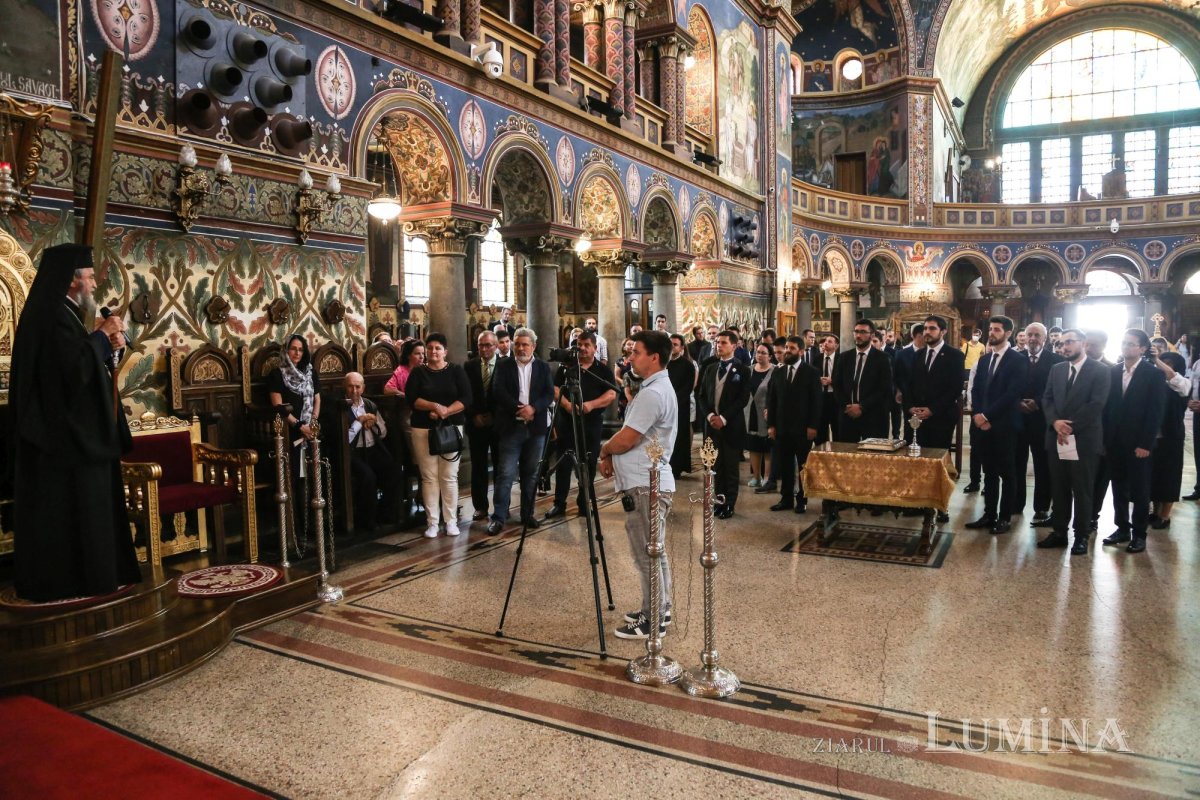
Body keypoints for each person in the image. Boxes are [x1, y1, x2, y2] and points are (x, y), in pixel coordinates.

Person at [11, 243, 141, 601]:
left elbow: (78, 364)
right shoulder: (52, 316)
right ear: (72, 281)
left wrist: (104, 342)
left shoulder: (61, 315)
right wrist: (99, 337)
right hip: (64, 442)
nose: (94, 285)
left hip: (76, 438)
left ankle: (95, 575)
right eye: (88, 278)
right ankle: (77, 580)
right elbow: (70, 371)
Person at [598, 331, 678, 640]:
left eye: (637, 353)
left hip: (647, 484)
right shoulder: (653, 388)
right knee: (655, 550)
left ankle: (653, 618)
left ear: (654, 357)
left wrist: (604, 450)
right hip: (648, 482)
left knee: (647, 553)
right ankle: (661, 605)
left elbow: (629, 437)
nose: (630, 358)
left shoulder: (654, 393)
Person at [1036, 330, 1110, 555]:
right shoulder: (1057, 369)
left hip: (1084, 438)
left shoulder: (1100, 370)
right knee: (1058, 486)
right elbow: (1047, 398)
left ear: (1084, 344)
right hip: (1056, 436)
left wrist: (1069, 426)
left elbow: (1096, 404)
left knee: (1082, 488)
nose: (1065, 347)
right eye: (1061, 343)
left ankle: (1081, 535)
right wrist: (1055, 422)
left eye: (1070, 342)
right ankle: (1059, 531)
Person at [1102, 329, 1166, 554]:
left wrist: (1146, 444)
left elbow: (1156, 412)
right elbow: (1107, 409)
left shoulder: (1153, 374)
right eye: (1124, 343)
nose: (1126, 347)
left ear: (1142, 348)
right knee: (1118, 486)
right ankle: (1122, 529)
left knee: (1140, 491)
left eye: (1131, 344)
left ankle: (1139, 534)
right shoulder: (1112, 371)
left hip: (1139, 443)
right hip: (1115, 441)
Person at [966, 316, 1029, 535]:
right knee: (989, 472)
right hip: (983, 426)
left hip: (1005, 426)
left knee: (1007, 473)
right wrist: (977, 415)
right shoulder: (984, 360)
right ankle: (989, 514)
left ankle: (1004, 518)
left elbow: (1012, 393)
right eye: (990, 329)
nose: (992, 333)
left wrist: (987, 416)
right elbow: (976, 390)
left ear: (1008, 333)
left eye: (997, 330)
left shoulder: (1018, 360)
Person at [405, 333, 472, 538]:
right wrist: (433, 406)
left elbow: (467, 397)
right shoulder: (418, 372)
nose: (433, 351)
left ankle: (450, 521)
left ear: (445, 351)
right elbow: (411, 399)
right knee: (429, 477)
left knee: (449, 476)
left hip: (451, 428)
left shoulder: (456, 371)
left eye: (438, 348)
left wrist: (446, 411)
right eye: (430, 348)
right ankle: (432, 522)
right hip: (423, 429)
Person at [488, 328, 554, 534]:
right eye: (517, 344)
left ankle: (528, 514)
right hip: (510, 427)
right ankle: (498, 517)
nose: (520, 348)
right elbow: (498, 391)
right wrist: (520, 409)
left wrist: (533, 408)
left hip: (536, 428)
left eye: (525, 344)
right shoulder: (503, 365)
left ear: (533, 346)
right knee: (505, 473)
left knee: (531, 474)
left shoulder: (543, 367)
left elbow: (548, 393)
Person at [545, 331, 617, 519]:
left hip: (591, 424)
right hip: (566, 423)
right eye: (579, 344)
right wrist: (568, 406)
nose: (582, 348)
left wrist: (591, 405)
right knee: (564, 463)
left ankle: (584, 502)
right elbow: (554, 388)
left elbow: (611, 394)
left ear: (595, 348)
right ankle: (559, 503)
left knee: (588, 463)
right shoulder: (567, 367)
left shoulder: (602, 370)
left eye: (587, 345)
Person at [1014, 323, 1065, 527]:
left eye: (1037, 335)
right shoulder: (1015, 359)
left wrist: (1037, 401)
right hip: (1018, 418)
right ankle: (1015, 503)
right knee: (1017, 462)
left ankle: (1042, 506)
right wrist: (1017, 401)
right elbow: (1010, 384)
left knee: (1043, 464)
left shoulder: (1056, 361)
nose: (1033, 339)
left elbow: (1055, 389)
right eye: (1030, 335)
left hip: (1043, 419)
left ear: (1045, 339)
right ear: (1024, 337)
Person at [696, 330, 750, 518]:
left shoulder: (742, 370)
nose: (719, 345)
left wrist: (723, 418)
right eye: (718, 342)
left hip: (731, 425)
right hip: (711, 426)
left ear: (734, 346)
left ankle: (730, 504)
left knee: (730, 467)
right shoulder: (710, 368)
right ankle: (719, 501)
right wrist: (710, 415)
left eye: (724, 342)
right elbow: (701, 395)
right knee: (715, 466)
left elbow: (742, 399)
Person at [767, 335, 821, 514]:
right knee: (785, 464)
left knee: (803, 465)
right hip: (782, 427)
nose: (787, 351)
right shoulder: (778, 372)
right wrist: (771, 425)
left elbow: (816, 402)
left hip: (803, 428)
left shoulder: (811, 372)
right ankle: (786, 498)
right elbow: (772, 400)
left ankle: (802, 499)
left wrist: (813, 426)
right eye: (786, 348)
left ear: (801, 351)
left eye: (791, 348)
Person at [341, 372, 398, 533]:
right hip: (353, 452)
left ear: (363, 388)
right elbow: (345, 438)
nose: (354, 391)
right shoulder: (341, 406)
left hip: (372, 449)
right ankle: (367, 520)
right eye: (350, 386)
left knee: (393, 470)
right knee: (368, 477)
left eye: (357, 387)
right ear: (344, 387)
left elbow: (383, 432)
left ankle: (385, 513)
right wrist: (359, 422)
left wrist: (373, 423)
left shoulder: (369, 404)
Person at [269, 334, 322, 493]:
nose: (297, 353)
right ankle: (297, 513)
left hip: (311, 430)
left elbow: (317, 400)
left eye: (300, 350)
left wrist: (312, 423)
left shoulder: (310, 373)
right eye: (293, 349)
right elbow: (278, 406)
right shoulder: (276, 374)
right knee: (298, 477)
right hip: (290, 431)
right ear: (286, 351)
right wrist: (299, 426)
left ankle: (315, 512)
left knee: (315, 475)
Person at [906, 315, 966, 451]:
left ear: (943, 331)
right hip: (917, 416)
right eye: (925, 328)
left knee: (936, 458)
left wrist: (932, 410)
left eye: (932, 328)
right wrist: (910, 407)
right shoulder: (918, 355)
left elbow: (955, 388)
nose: (927, 332)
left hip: (941, 417)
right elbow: (910, 383)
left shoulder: (955, 355)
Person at [832, 319, 893, 442]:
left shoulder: (882, 358)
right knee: (847, 455)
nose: (859, 335)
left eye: (863, 332)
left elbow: (884, 388)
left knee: (872, 457)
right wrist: (847, 406)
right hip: (847, 415)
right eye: (856, 332)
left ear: (872, 335)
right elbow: (837, 384)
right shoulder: (844, 357)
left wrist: (862, 407)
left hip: (873, 415)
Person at [1148, 350, 1189, 529]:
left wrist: (1156, 360)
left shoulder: (1182, 383)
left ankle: (1165, 515)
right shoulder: (1155, 383)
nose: (1163, 366)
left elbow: (1173, 377)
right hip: (1153, 438)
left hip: (1171, 438)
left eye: (1168, 363)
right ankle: (1155, 512)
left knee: (1169, 477)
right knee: (1154, 476)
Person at [464, 331, 500, 522]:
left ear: (496, 346)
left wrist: (494, 416)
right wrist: (473, 416)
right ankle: (480, 507)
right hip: (476, 424)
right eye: (481, 345)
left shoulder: (505, 365)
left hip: (498, 425)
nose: (484, 349)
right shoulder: (469, 366)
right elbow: (465, 394)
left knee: (500, 466)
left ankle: (501, 506)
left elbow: (508, 394)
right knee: (478, 467)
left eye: (488, 345)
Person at [1086, 330, 1116, 527]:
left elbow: (1112, 408)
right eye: (1086, 344)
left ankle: (1092, 516)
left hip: (1102, 433)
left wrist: (1107, 439)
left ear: (1104, 346)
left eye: (1093, 345)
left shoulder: (1113, 370)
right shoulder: (1073, 365)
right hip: (1077, 433)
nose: (1088, 349)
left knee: (1099, 478)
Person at [666, 333, 698, 477]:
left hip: (680, 406)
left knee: (679, 437)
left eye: (675, 344)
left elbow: (688, 387)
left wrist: (673, 400)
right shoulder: (662, 363)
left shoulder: (688, 365)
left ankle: (677, 467)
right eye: (670, 344)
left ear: (681, 347)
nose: (672, 347)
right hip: (663, 405)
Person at [745, 343, 775, 489]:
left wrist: (771, 409)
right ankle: (756, 476)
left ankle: (767, 477)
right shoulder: (749, 370)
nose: (760, 355)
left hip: (766, 412)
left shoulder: (775, 371)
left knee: (767, 446)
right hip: (750, 413)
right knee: (753, 445)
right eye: (758, 352)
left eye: (763, 353)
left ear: (770, 356)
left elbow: (777, 393)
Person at [892, 323, 926, 441]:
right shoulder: (902, 354)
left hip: (927, 401)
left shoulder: (931, 353)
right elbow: (897, 375)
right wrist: (899, 390)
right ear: (916, 335)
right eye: (923, 334)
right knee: (910, 433)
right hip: (908, 399)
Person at [815, 333, 839, 444]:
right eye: (825, 341)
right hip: (821, 398)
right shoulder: (817, 358)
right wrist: (818, 380)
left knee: (837, 431)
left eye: (830, 341)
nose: (826, 343)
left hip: (835, 398)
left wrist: (832, 381)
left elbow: (845, 379)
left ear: (836, 346)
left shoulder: (841, 359)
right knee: (821, 432)